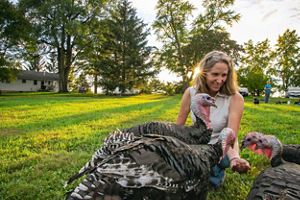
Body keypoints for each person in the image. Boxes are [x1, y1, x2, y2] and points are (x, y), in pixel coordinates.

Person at [176, 51, 251, 188]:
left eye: (224, 75)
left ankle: (214, 172)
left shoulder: (235, 98)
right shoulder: (191, 92)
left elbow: (230, 135)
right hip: (198, 143)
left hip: (221, 146)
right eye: (215, 74)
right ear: (204, 73)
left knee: (209, 182)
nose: (220, 80)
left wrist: (234, 158)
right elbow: (178, 127)